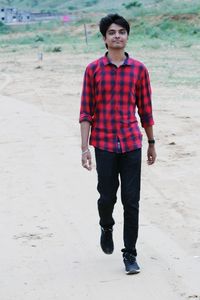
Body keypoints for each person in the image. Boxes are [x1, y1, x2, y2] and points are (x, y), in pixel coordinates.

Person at [79, 13, 156, 274]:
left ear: (127, 36)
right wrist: (84, 147)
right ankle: (106, 225)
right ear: (104, 38)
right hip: (104, 144)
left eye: (121, 32)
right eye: (112, 32)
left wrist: (152, 142)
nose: (117, 36)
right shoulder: (93, 70)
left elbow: (146, 110)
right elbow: (85, 112)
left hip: (132, 143)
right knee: (107, 197)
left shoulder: (139, 70)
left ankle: (130, 254)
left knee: (131, 201)